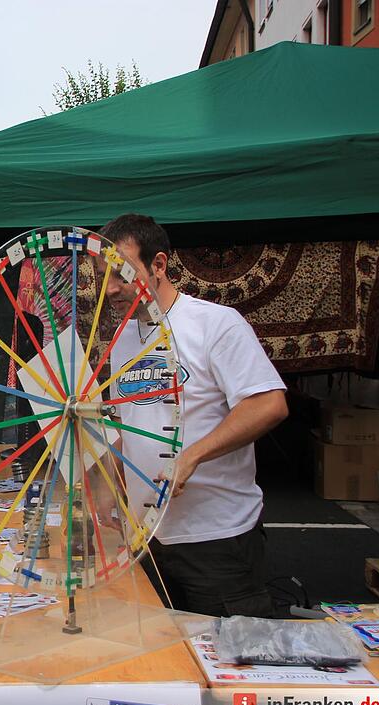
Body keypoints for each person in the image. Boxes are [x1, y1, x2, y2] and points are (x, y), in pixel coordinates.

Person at [98, 213, 288, 617]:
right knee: (163, 667)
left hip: (216, 541)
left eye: (121, 273)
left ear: (159, 265)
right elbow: (131, 425)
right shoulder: (124, 338)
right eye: (103, 276)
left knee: (226, 666)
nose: (110, 288)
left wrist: (191, 456)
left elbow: (268, 403)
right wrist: (104, 486)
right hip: (148, 538)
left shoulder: (215, 325)